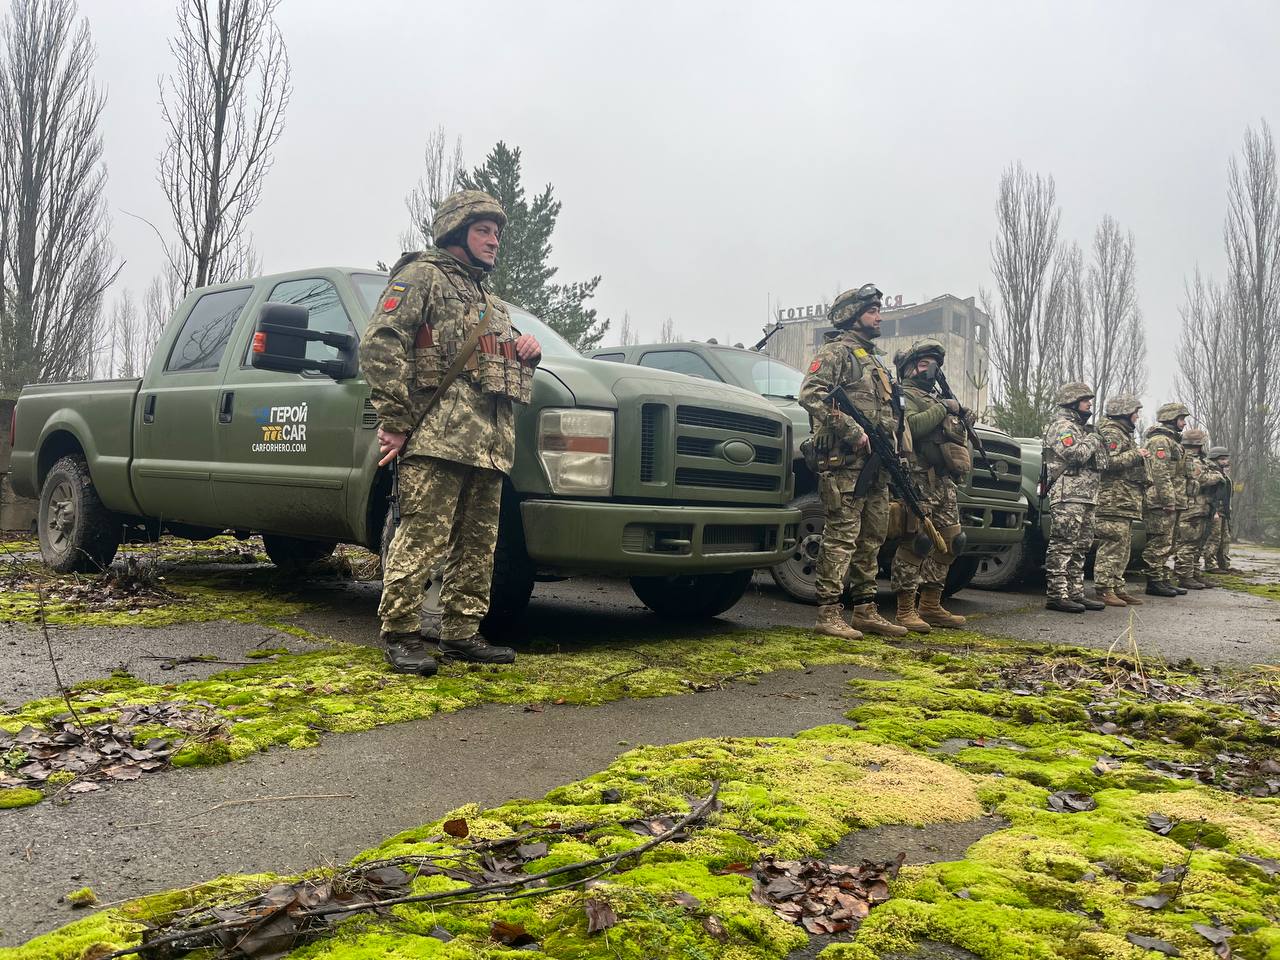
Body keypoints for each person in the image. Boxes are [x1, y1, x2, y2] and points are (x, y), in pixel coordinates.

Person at [361, 190, 542, 674]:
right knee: (421, 537)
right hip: (438, 438)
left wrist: (527, 350)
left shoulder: (492, 303)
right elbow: (380, 342)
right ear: (456, 231)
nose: (494, 241)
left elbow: (496, 365)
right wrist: (395, 421)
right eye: (484, 230)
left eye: (497, 233)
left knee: (478, 546)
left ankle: (462, 633)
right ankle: (400, 631)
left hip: (488, 445)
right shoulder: (423, 276)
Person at [799, 283, 907, 640]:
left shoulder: (874, 361)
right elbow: (812, 394)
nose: (879, 316)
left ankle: (865, 609)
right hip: (845, 463)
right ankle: (828, 612)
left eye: (878, 310)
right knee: (842, 535)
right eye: (872, 311)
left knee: (873, 535)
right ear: (852, 315)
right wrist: (852, 431)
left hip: (877, 464)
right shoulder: (835, 353)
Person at [888, 339, 969, 633]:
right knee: (917, 542)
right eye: (924, 364)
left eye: (934, 365)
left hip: (943, 480)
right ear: (909, 369)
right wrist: (943, 409)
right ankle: (905, 609)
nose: (930, 370)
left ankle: (931, 605)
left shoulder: (935, 396)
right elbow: (913, 426)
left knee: (953, 540)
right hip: (918, 478)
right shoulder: (902, 395)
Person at [1042, 382, 1109, 613]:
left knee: (1081, 546)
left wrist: (1093, 438)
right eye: (1085, 400)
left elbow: (1102, 463)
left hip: (1087, 496)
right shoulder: (1062, 426)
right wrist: (1093, 439)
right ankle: (1057, 594)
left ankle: (1075, 592)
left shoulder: (1083, 429)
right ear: (1072, 402)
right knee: (1063, 544)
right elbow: (1075, 454)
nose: (1089, 404)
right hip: (1067, 494)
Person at [1092, 394, 1150, 607]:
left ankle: (1117, 586)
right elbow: (1108, 462)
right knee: (1113, 543)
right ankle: (1104, 588)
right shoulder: (1112, 433)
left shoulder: (1123, 433)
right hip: (1112, 499)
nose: (1137, 417)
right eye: (1135, 413)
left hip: (1124, 500)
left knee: (1123, 545)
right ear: (1124, 413)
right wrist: (1137, 455)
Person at [1141, 403, 1191, 597]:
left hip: (1173, 500)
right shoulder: (1160, 441)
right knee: (1159, 541)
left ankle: (1162, 579)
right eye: (1181, 419)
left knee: (1169, 542)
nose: (1184, 423)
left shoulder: (1173, 441)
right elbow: (1160, 473)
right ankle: (1154, 581)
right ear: (1171, 418)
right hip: (1161, 501)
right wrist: (1168, 499)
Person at [1173, 427, 1221, 590]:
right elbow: (1199, 478)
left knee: (1197, 543)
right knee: (1188, 543)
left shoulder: (1200, 460)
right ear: (1199, 444)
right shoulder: (1188, 459)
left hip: (1201, 508)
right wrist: (1217, 477)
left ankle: (1194, 573)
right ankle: (1184, 576)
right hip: (1191, 508)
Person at [1204, 447, 1234, 572]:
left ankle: (1224, 564)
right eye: (1222, 459)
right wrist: (1214, 511)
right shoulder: (1211, 473)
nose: (1225, 461)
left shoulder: (1223, 474)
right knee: (1214, 538)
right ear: (1215, 459)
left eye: (1226, 458)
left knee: (1225, 538)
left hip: (1224, 511)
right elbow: (1210, 494)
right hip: (1214, 510)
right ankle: (1210, 565)